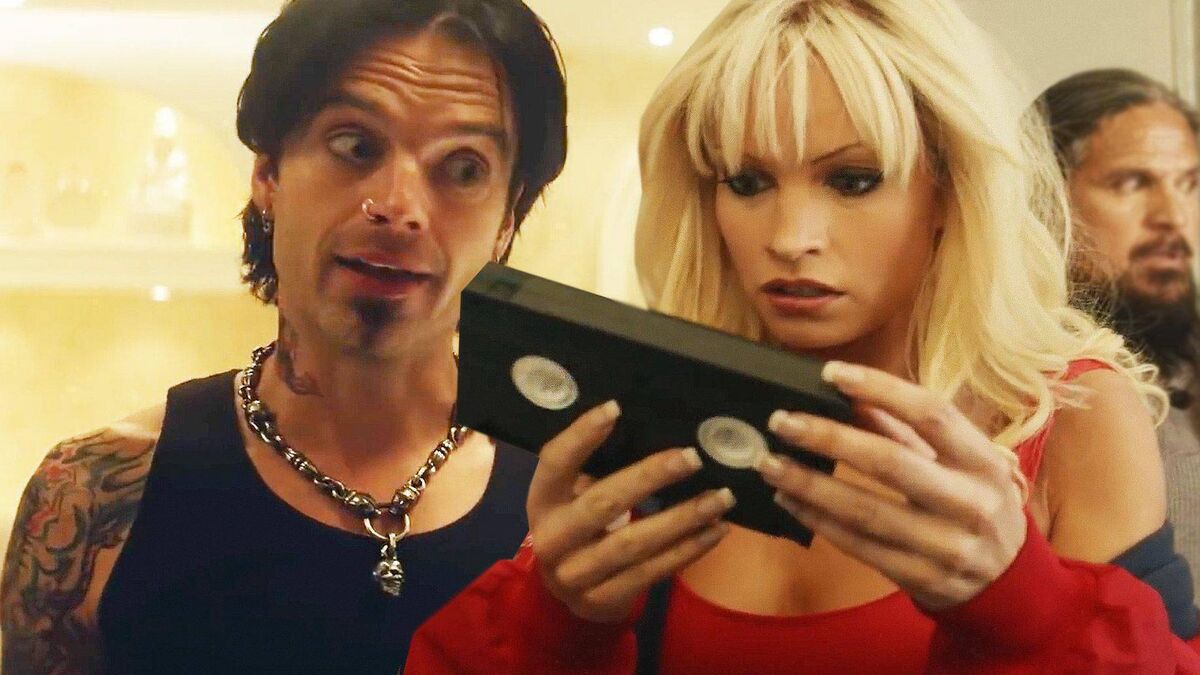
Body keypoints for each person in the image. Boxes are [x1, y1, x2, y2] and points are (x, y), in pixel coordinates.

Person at [405, 0, 1200, 672]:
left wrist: (1025, 601)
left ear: (949, 187)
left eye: (852, 180)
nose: (790, 237)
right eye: (747, 182)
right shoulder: (661, 406)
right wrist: (559, 621)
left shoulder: (1067, 413)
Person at [0, 0, 566, 672]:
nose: (400, 207)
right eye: (356, 146)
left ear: (507, 219)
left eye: (464, 168)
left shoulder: (571, 508)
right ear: (268, 172)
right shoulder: (95, 493)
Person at [1040, 68, 1200, 601]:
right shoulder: (1014, 396)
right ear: (1046, 201)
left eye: (1189, 184)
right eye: (1131, 183)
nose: (1172, 217)